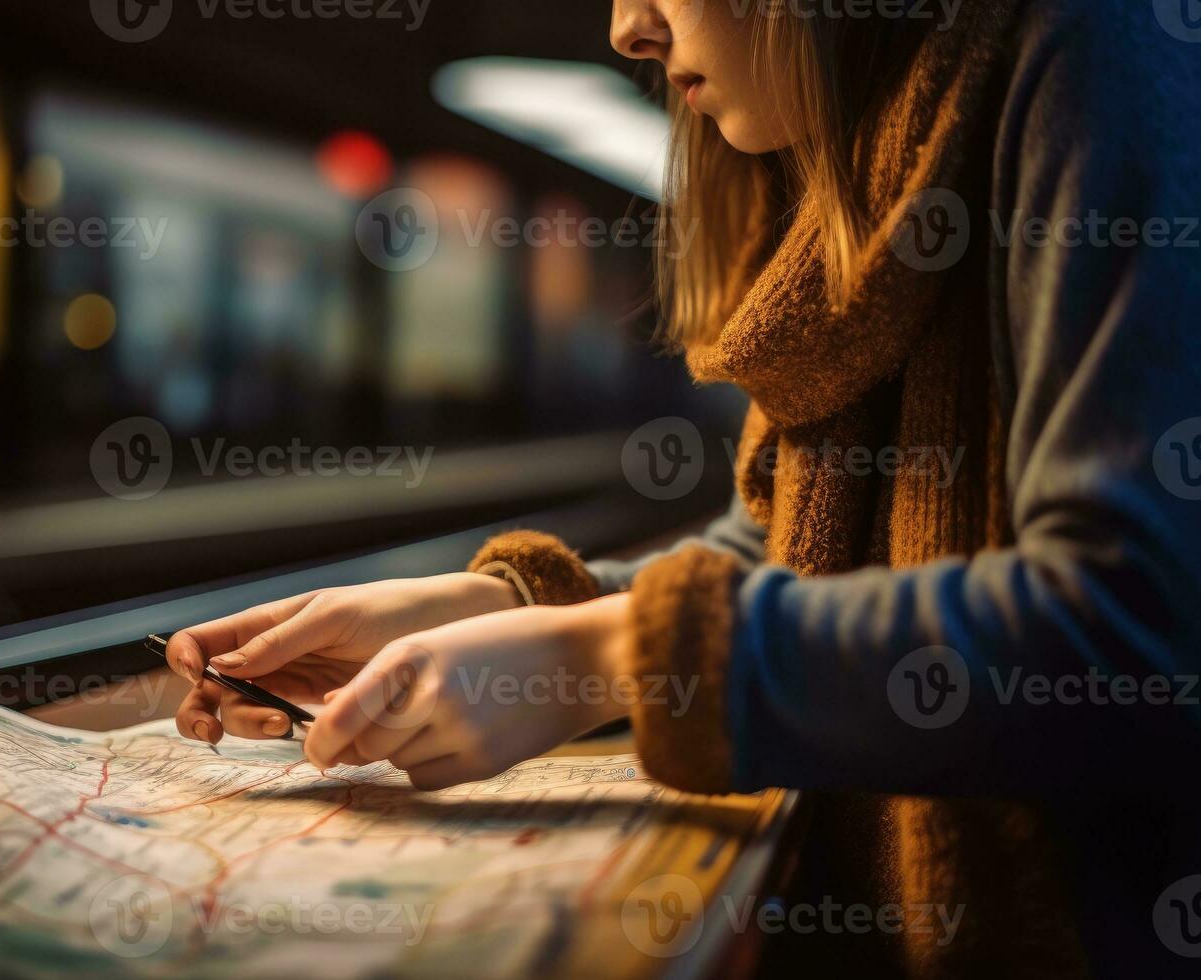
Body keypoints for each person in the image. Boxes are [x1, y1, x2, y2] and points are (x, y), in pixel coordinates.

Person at [166, 1, 1201, 973]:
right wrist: (499, 604)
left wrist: (603, 663)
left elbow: (1135, 627)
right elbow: (780, 542)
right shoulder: (854, 149)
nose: (627, 27)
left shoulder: (1096, 46)